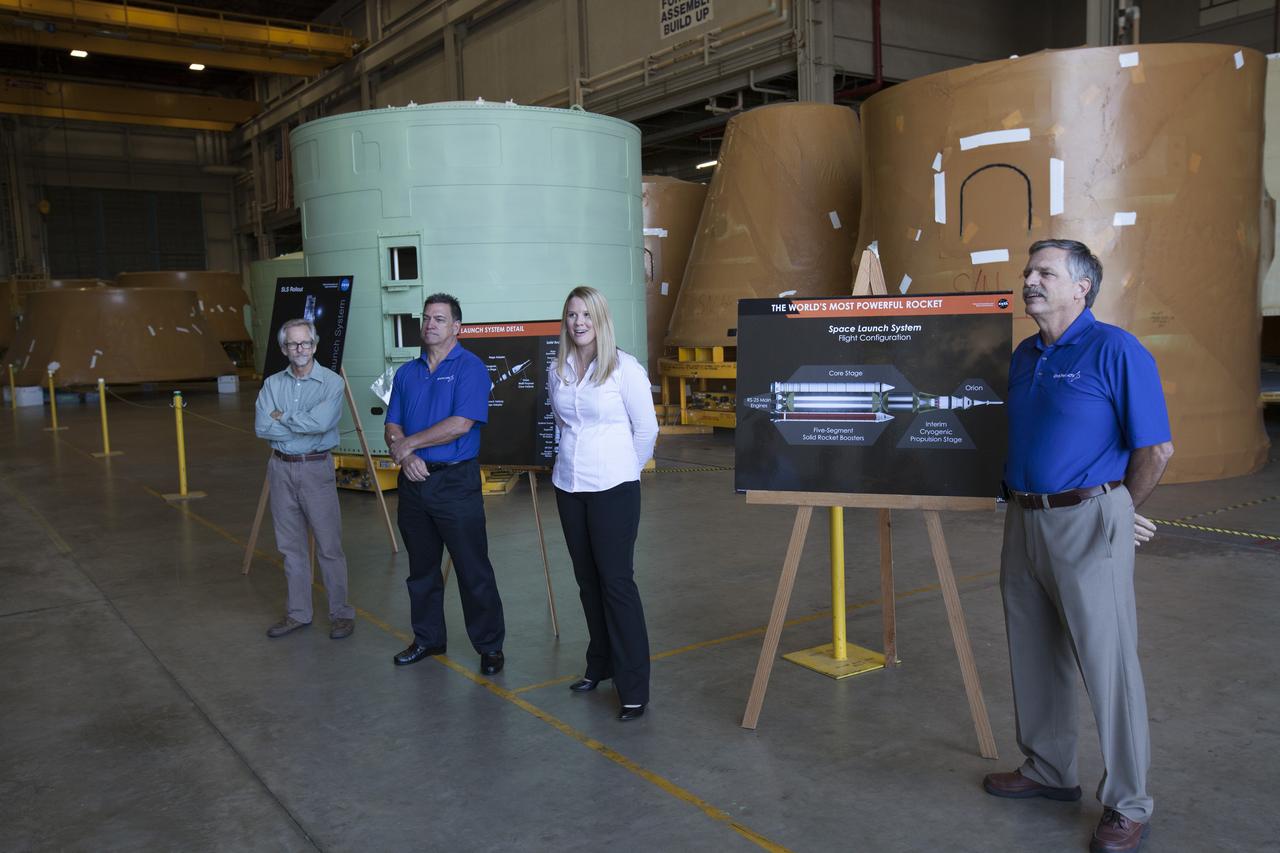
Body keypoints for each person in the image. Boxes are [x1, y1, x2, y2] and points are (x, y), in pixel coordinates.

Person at [984, 240, 1174, 853]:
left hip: (1087, 519)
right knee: (1032, 650)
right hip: (1024, 519)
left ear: (1080, 288)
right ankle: (1048, 769)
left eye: (1046, 272)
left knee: (1108, 663)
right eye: (1028, 271)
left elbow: (1156, 448)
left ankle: (1128, 802)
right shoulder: (1024, 354)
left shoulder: (1116, 349)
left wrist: (1119, 511)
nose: (1030, 280)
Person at [549, 286, 659, 721]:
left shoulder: (624, 368)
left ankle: (634, 688)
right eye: (572, 314)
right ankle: (601, 664)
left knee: (616, 583)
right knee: (587, 582)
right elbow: (561, 422)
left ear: (601, 320)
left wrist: (626, 472)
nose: (578, 322)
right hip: (569, 486)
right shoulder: (558, 368)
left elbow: (646, 429)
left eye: (586, 315)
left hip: (614, 487)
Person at [385, 294, 506, 675]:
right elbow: (392, 424)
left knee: (472, 569)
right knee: (421, 570)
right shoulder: (407, 373)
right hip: (413, 483)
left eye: (439, 319)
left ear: (456, 327)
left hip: (455, 482)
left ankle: (490, 646)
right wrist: (406, 456)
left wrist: (409, 444)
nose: (429, 325)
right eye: (426, 318)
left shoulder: (471, 368)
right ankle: (428, 639)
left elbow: (461, 424)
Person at [254, 318, 356, 640]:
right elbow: (262, 427)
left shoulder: (331, 383)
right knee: (290, 547)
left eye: (305, 343)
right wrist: (304, 425)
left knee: (329, 546)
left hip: (315, 468)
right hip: (280, 469)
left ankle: (341, 614)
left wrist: (283, 417)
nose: (300, 349)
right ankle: (298, 613)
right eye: (293, 344)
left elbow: (322, 423)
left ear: (314, 345)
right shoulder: (272, 384)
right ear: (284, 348)